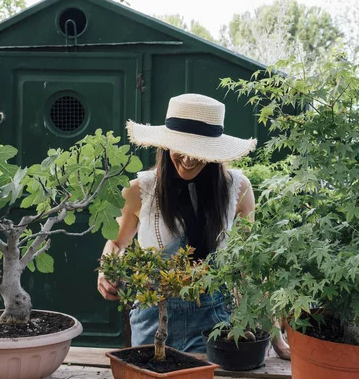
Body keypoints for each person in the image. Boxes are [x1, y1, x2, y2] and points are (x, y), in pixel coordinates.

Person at [96, 93, 290, 358]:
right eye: (182, 149)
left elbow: (249, 265)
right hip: (153, 318)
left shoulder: (238, 188)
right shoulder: (139, 190)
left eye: (198, 151)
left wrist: (275, 335)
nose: (188, 160)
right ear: (166, 145)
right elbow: (117, 242)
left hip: (214, 321)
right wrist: (106, 270)